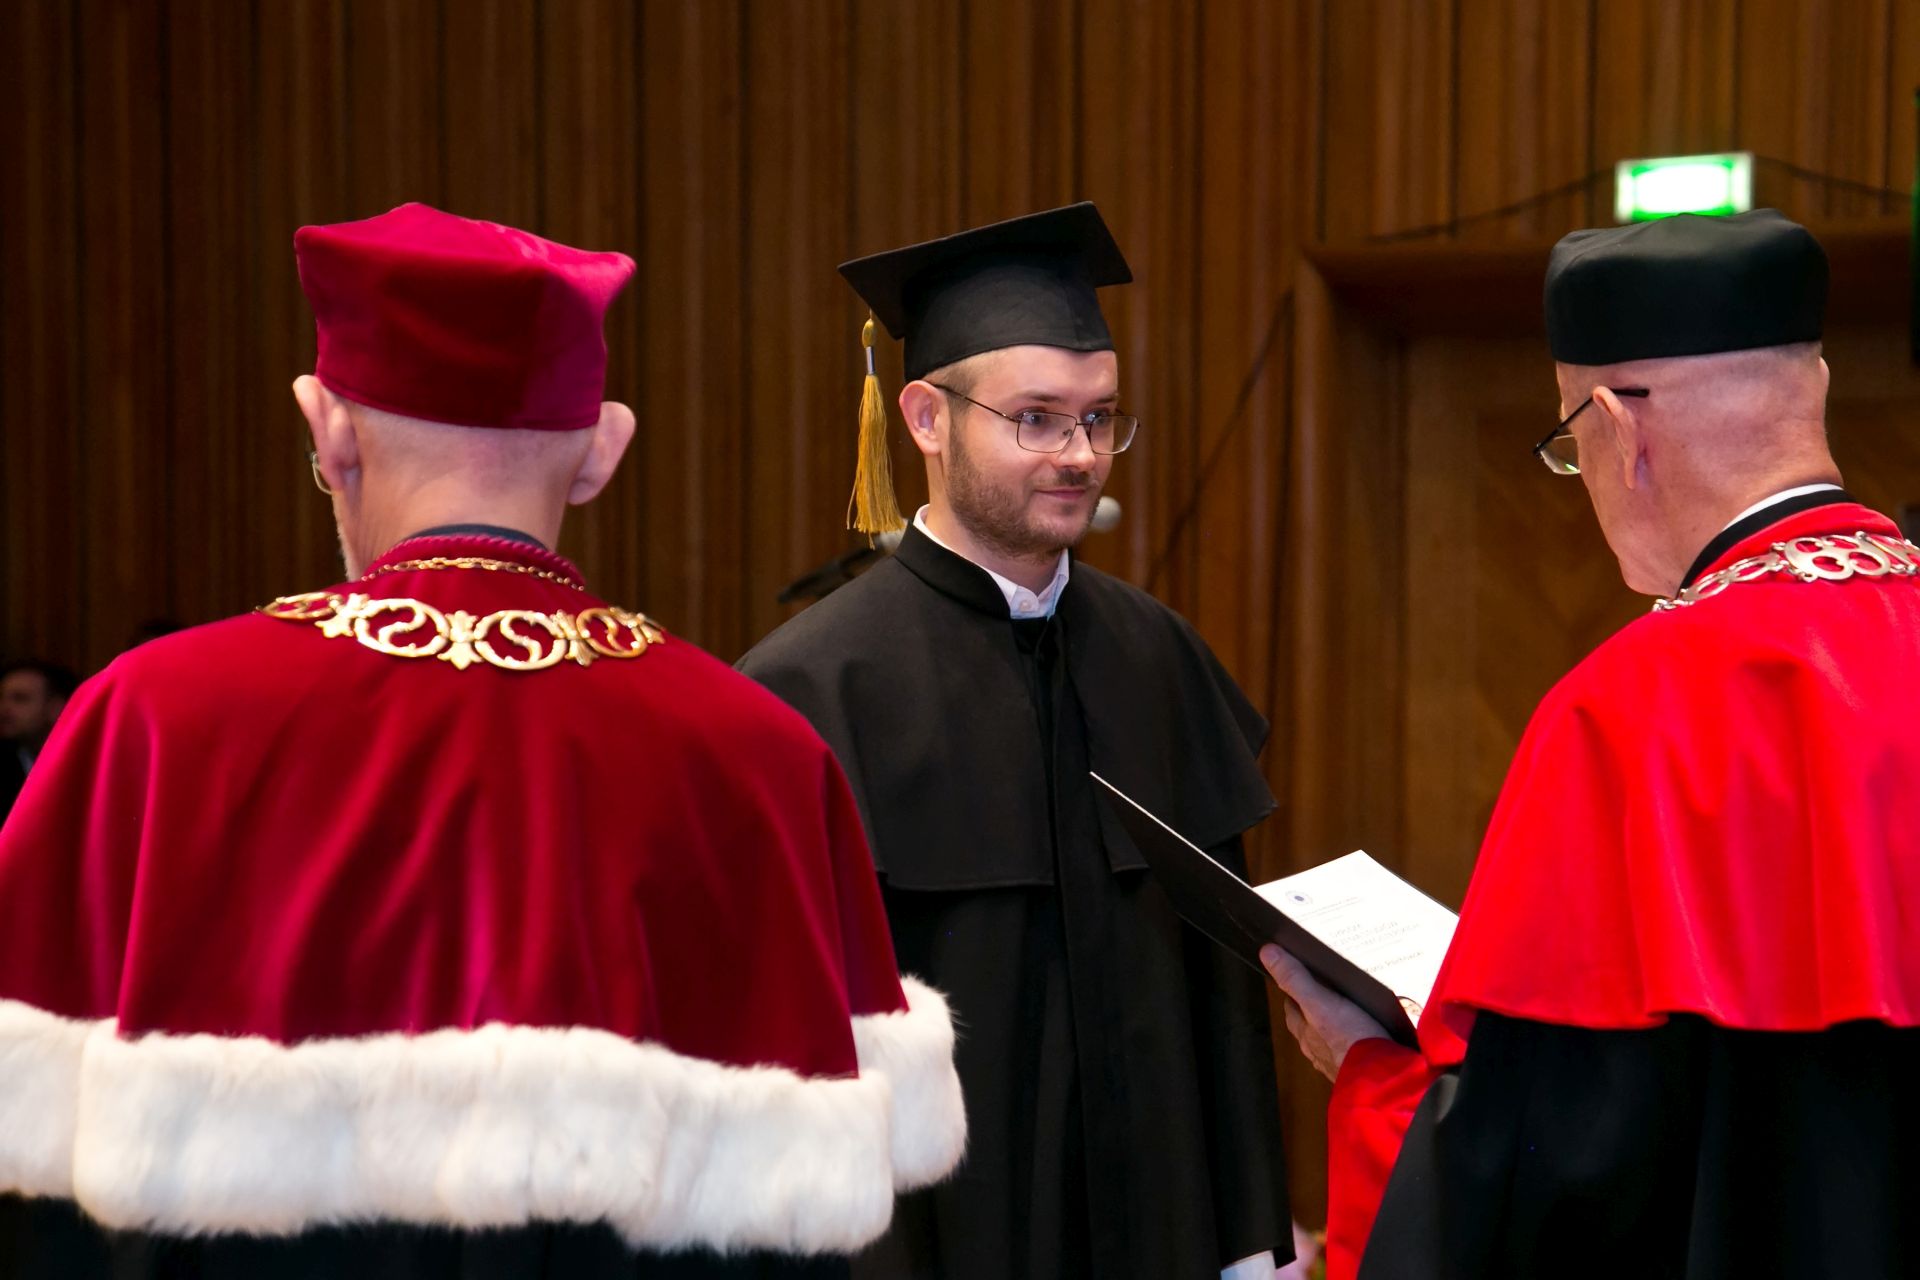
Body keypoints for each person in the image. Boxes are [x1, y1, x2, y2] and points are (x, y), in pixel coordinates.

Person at [0, 203, 964, 1278]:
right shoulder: (761, 754)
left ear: (329, 430)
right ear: (602, 451)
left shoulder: (150, 717)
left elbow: (34, 1208)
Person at [1263, 209, 1920, 1280]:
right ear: (1817, 386)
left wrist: (1373, 1076)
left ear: (1617, 426)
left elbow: (1558, 1174)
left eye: (1569, 443)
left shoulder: (1633, 707)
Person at [738, 203, 1290, 1279]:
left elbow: (1225, 1009)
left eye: (1100, 418)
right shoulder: (813, 690)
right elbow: (791, 1055)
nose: (1080, 455)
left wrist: (1249, 1247)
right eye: (1036, 418)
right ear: (925, 419)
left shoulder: (1160, 659)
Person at [0, 659, 77, 823]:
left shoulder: (84, 760)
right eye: (2, 698)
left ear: (56, 707)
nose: (4, 709)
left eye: (20, 699)